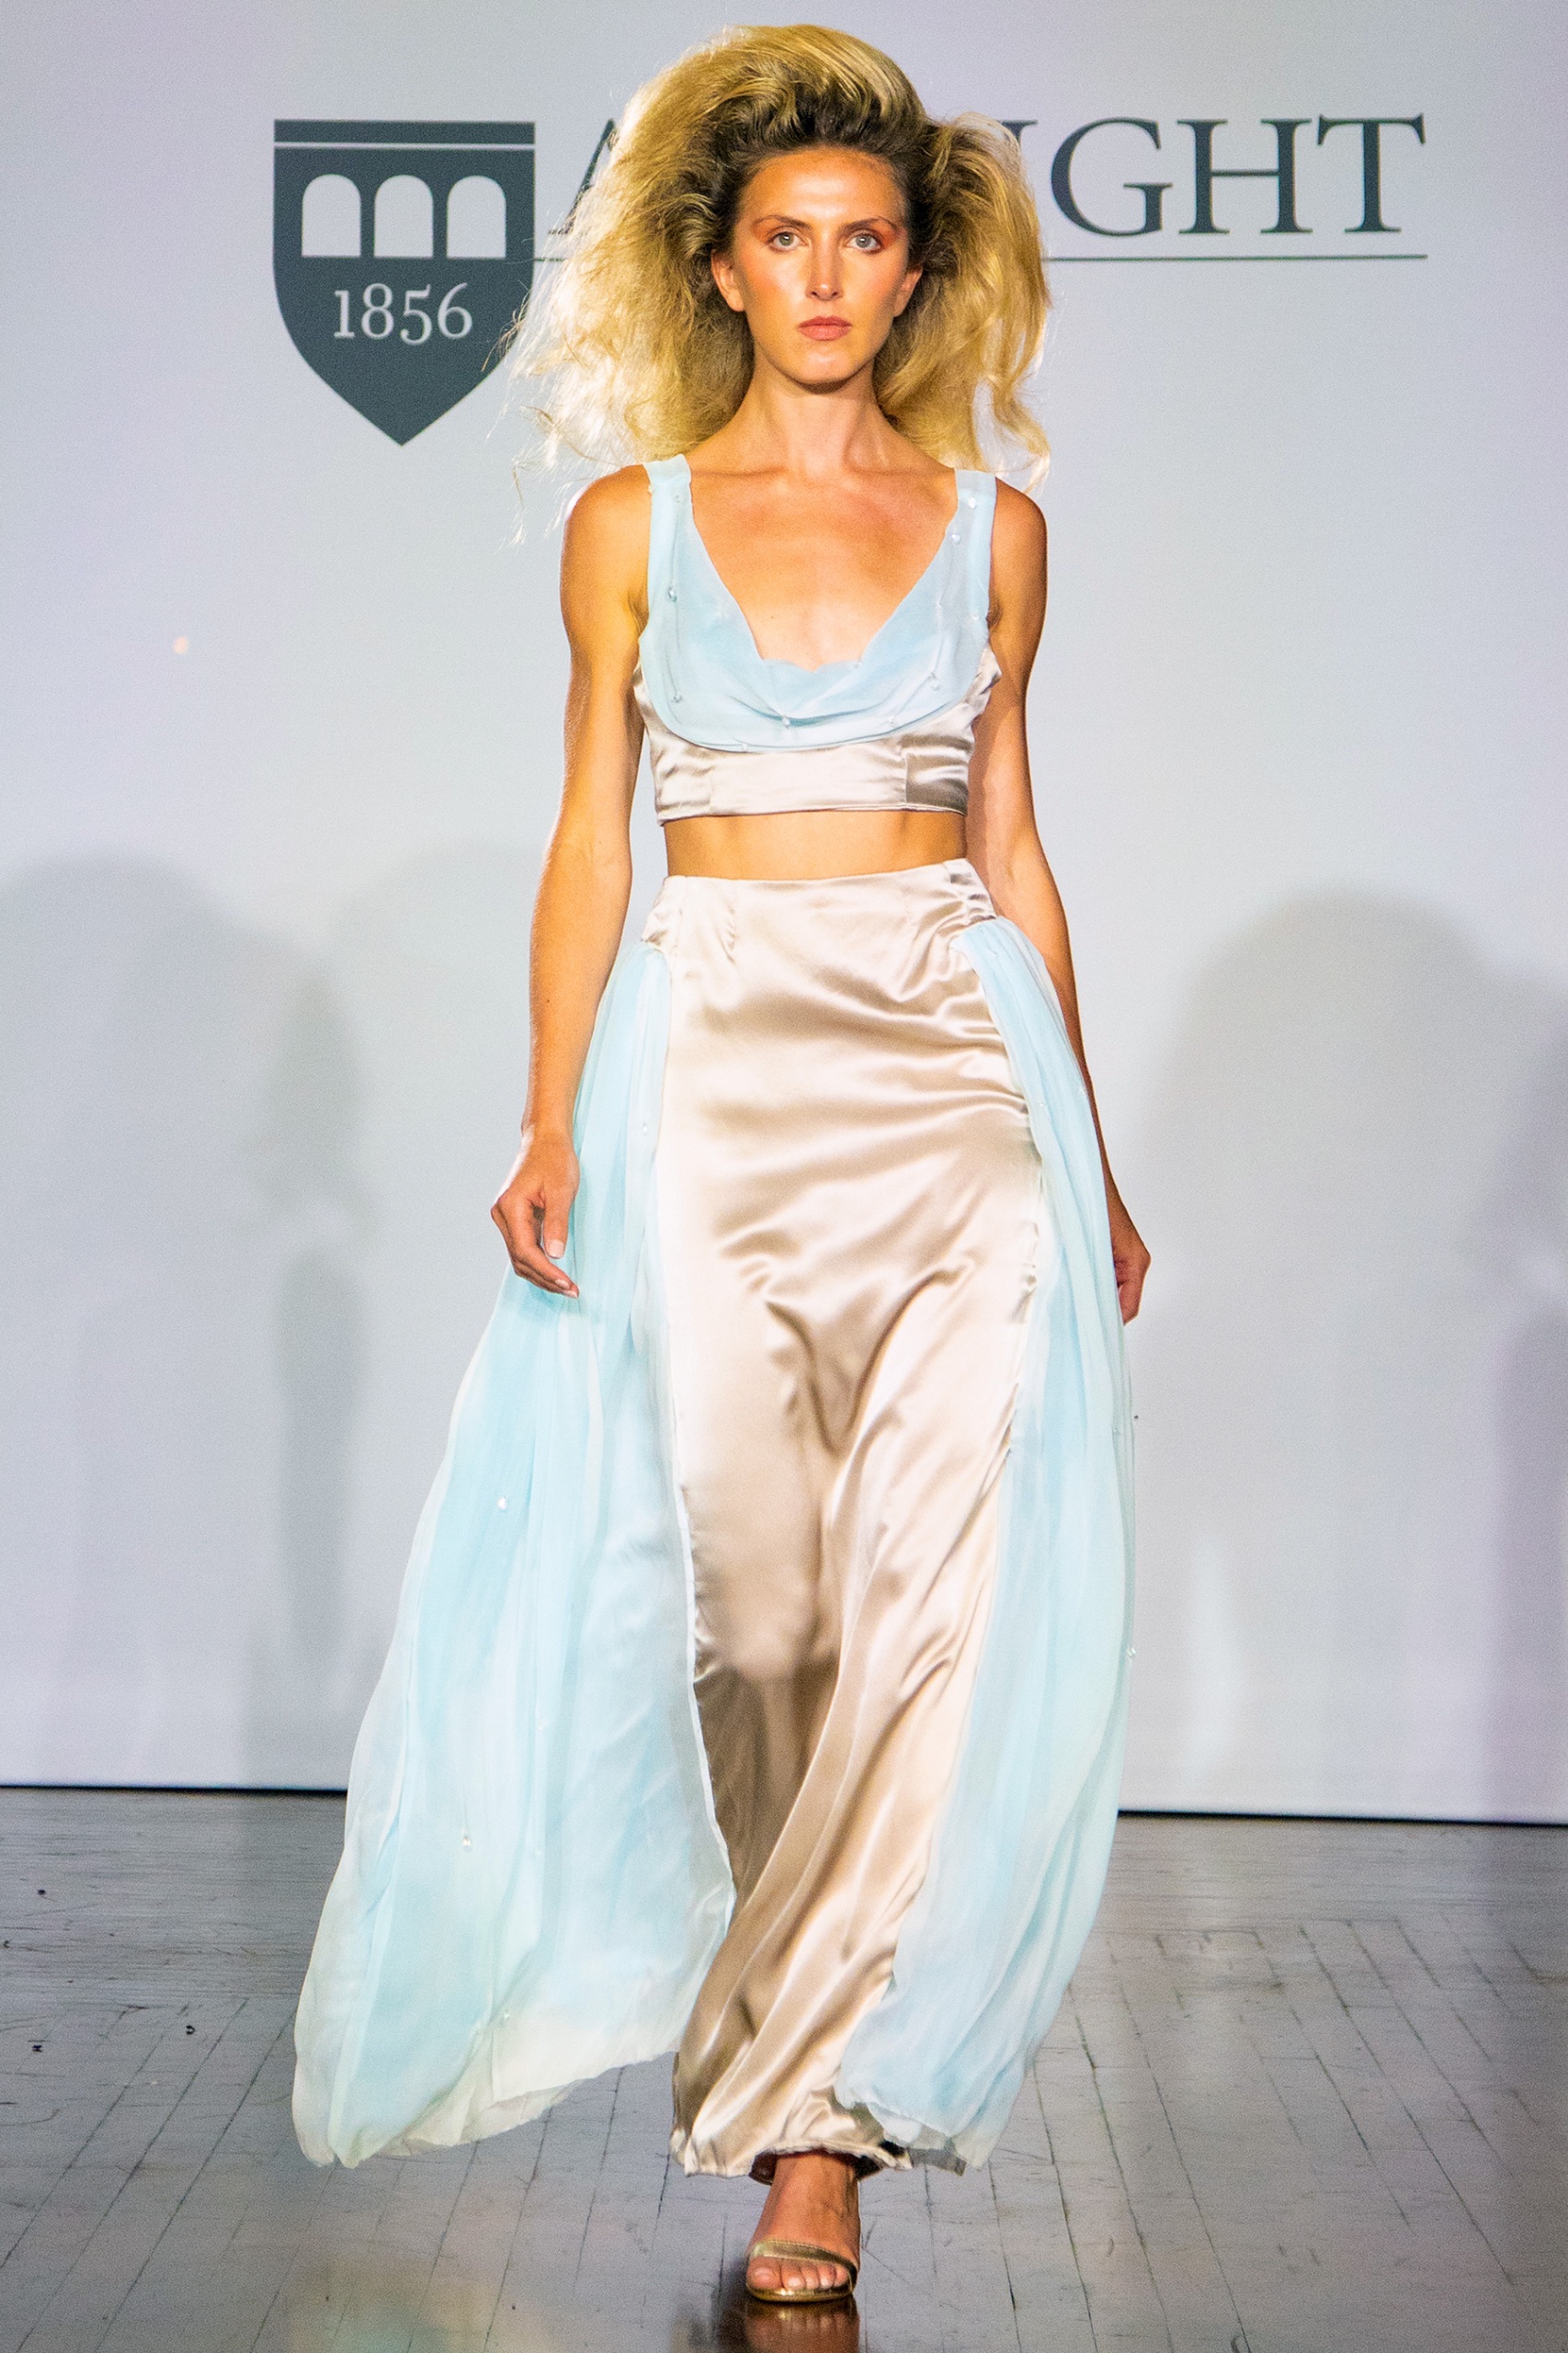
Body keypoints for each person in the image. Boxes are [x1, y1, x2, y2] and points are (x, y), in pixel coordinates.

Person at [292, 23, 1145, 2310]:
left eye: (866, 240)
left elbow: (1016, 845)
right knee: (759, 1614)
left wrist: (1092, 1142)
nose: (830, 277)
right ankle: (793, 2064)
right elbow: (591, 833)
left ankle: (812, 2139)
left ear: (914, 267)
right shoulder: (630, 523)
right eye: (790, 239)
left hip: (953, 1074)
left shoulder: (995, 530)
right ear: (723, 265)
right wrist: (545, 1105)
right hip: (717, 1076)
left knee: (927, 1605)